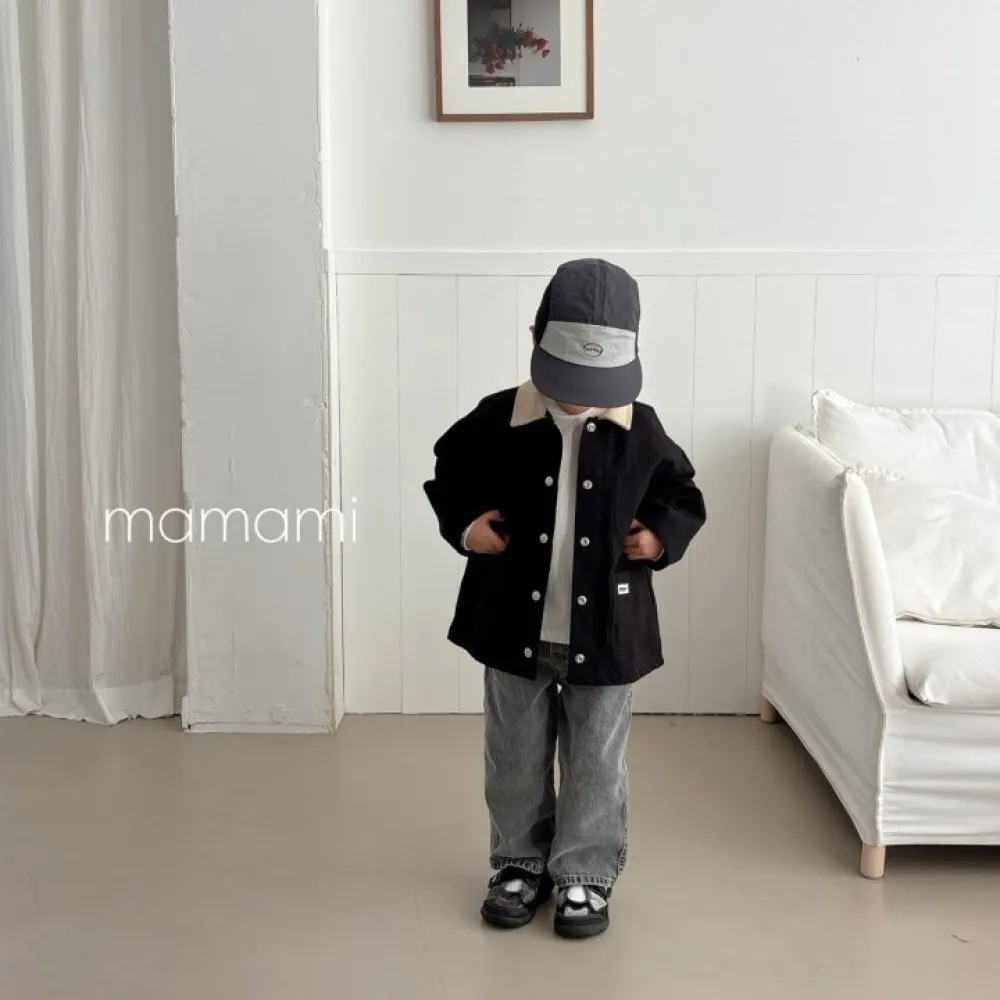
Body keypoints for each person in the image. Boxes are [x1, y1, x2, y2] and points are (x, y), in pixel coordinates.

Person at [423, 258, 706, 939]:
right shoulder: (499, 417)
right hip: (512, 622)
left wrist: (658, 537)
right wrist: (466, 526)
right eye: (568, 381)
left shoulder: (642, 430)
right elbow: (450, 469)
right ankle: (518, 862)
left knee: (596, 760)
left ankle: (584, 870)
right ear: (536, 339)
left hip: (607, 630)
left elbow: (681, 494)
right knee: (514, 756)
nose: (579, 400)